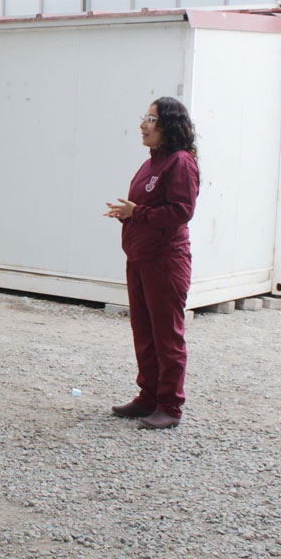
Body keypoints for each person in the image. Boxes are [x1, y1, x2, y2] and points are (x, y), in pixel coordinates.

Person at [104, 97, 200, 430]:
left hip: (165, 261)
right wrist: (127, 215)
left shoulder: (180, 163)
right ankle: (148, 396)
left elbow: (180, 212)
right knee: (143, 331)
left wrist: (138, 213)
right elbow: (147, 209)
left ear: (168, 126)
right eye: (145, 117)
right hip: (140, 257)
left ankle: (170, 406)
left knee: (166, 334)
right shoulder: (150, 163)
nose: (144, 124)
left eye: (152, 118)